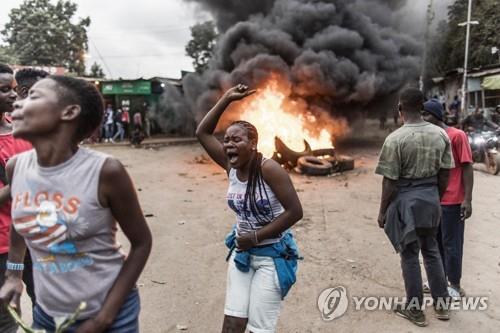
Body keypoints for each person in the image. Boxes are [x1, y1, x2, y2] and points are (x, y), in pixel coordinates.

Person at [0, 75, 152, 332]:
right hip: (48, 316)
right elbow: (19, 220)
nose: (18, 101)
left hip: (110, 315)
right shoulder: (17, 167)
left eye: (33, 96)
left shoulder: (106, 171)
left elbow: (142, 243)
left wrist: (105, 317)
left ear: (69, 112)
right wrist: (14, 275)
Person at [196, 84, 303, 333]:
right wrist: (226, 99)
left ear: (253, 143)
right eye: (226, 140)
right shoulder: (230, 166)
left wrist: (255, 237)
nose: (228, 145)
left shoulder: (269, 169)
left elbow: (295, 212)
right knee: (232, 325)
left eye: (236, 139)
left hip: (272, 255)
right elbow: (202, 133)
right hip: (242, 254)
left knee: (258, 329)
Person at [376, 88, 454, 327]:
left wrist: (382, 211)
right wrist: (435, 197)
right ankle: (442, 306)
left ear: (400, 109)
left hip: (406, 201)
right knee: (431, 251)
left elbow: (389, 181)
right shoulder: (441, 135)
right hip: (430, 198)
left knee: (409, 255)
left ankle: (415, 310)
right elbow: (445, 172)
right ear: (422, 108)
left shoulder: (395, 139)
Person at [421, 99, 473, 297]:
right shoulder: (429, 137)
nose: (423, 119)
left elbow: (467, 167)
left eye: (425, 115)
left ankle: (455, 285)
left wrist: (467, 200)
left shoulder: (457, 136)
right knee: (435, 244)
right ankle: (438, 280)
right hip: (433, 200)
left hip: (453, 202)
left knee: (452, 245)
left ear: (435, 116)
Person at [0, 63, 33, 333]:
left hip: (36, 235)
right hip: (3, 246)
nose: (13, 95)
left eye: (13, 88)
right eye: (4, 90)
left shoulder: (21, 127)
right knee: (8, 317)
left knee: (52, 305)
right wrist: (20, 181)